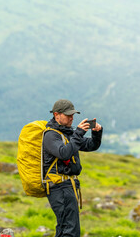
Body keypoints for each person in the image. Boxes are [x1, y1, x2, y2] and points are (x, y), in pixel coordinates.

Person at [43, 99, 103, 237]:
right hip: (58, 186)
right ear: (56, 115)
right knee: (70, 229)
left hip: (68, 186)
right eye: (68, 115)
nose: (72, 118)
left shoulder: (67, 133)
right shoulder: (50, 135)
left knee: (66, 227)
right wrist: (79, 133)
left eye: (72, 115)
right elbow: (64, 153)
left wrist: (96, 133)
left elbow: (90, 146)